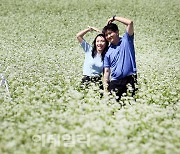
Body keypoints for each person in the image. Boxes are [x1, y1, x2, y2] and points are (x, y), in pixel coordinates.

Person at [102, 16, 137, 101]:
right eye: (106, 35)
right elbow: (107, 71)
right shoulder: (107, 51)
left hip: (130, 79)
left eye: (110, 33)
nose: (108, 36)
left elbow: (130, 23)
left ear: (117, 32)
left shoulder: (126, 40)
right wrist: (106, 88)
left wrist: (114, 18)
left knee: (130, 106)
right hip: (115, 82)